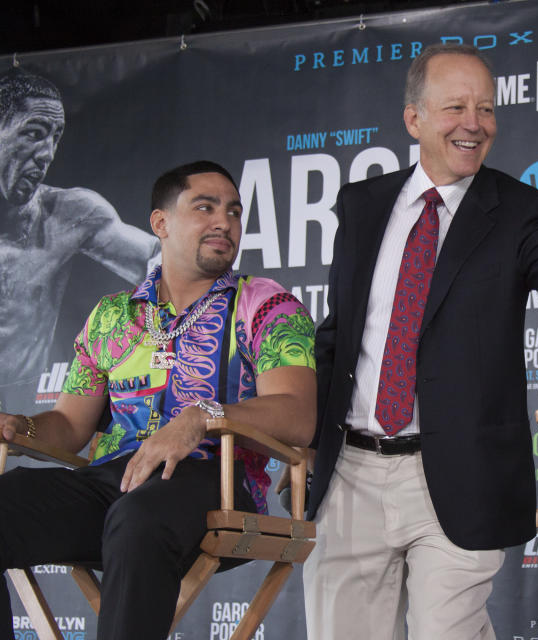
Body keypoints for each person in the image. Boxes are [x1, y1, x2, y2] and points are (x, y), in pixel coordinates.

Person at [303, 43, 538, 639]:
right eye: (455, 107)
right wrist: (309, 442)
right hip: (350, 473)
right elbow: (337, 336)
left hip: (460, 476)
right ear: (414, 119)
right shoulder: (363, 207)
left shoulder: (519, 211)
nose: (475, 123)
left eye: (486, 109)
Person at [0, 160, 317, 640]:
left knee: (139, 517)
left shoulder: (266, 305)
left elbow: (297, 415)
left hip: (215, 482)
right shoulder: (111, 316)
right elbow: (69, 425)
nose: (224, 222)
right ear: (160, 223)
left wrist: (203, 417)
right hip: (116, 479)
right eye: (205, 208)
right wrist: (19, 427)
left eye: (233, 212)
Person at [0, 68, 160, 415]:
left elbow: (165, 260)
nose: (47, 154)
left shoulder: (68, 215)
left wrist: (146, 342)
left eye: (55, 137)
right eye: (34, 133)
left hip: (31, 418)